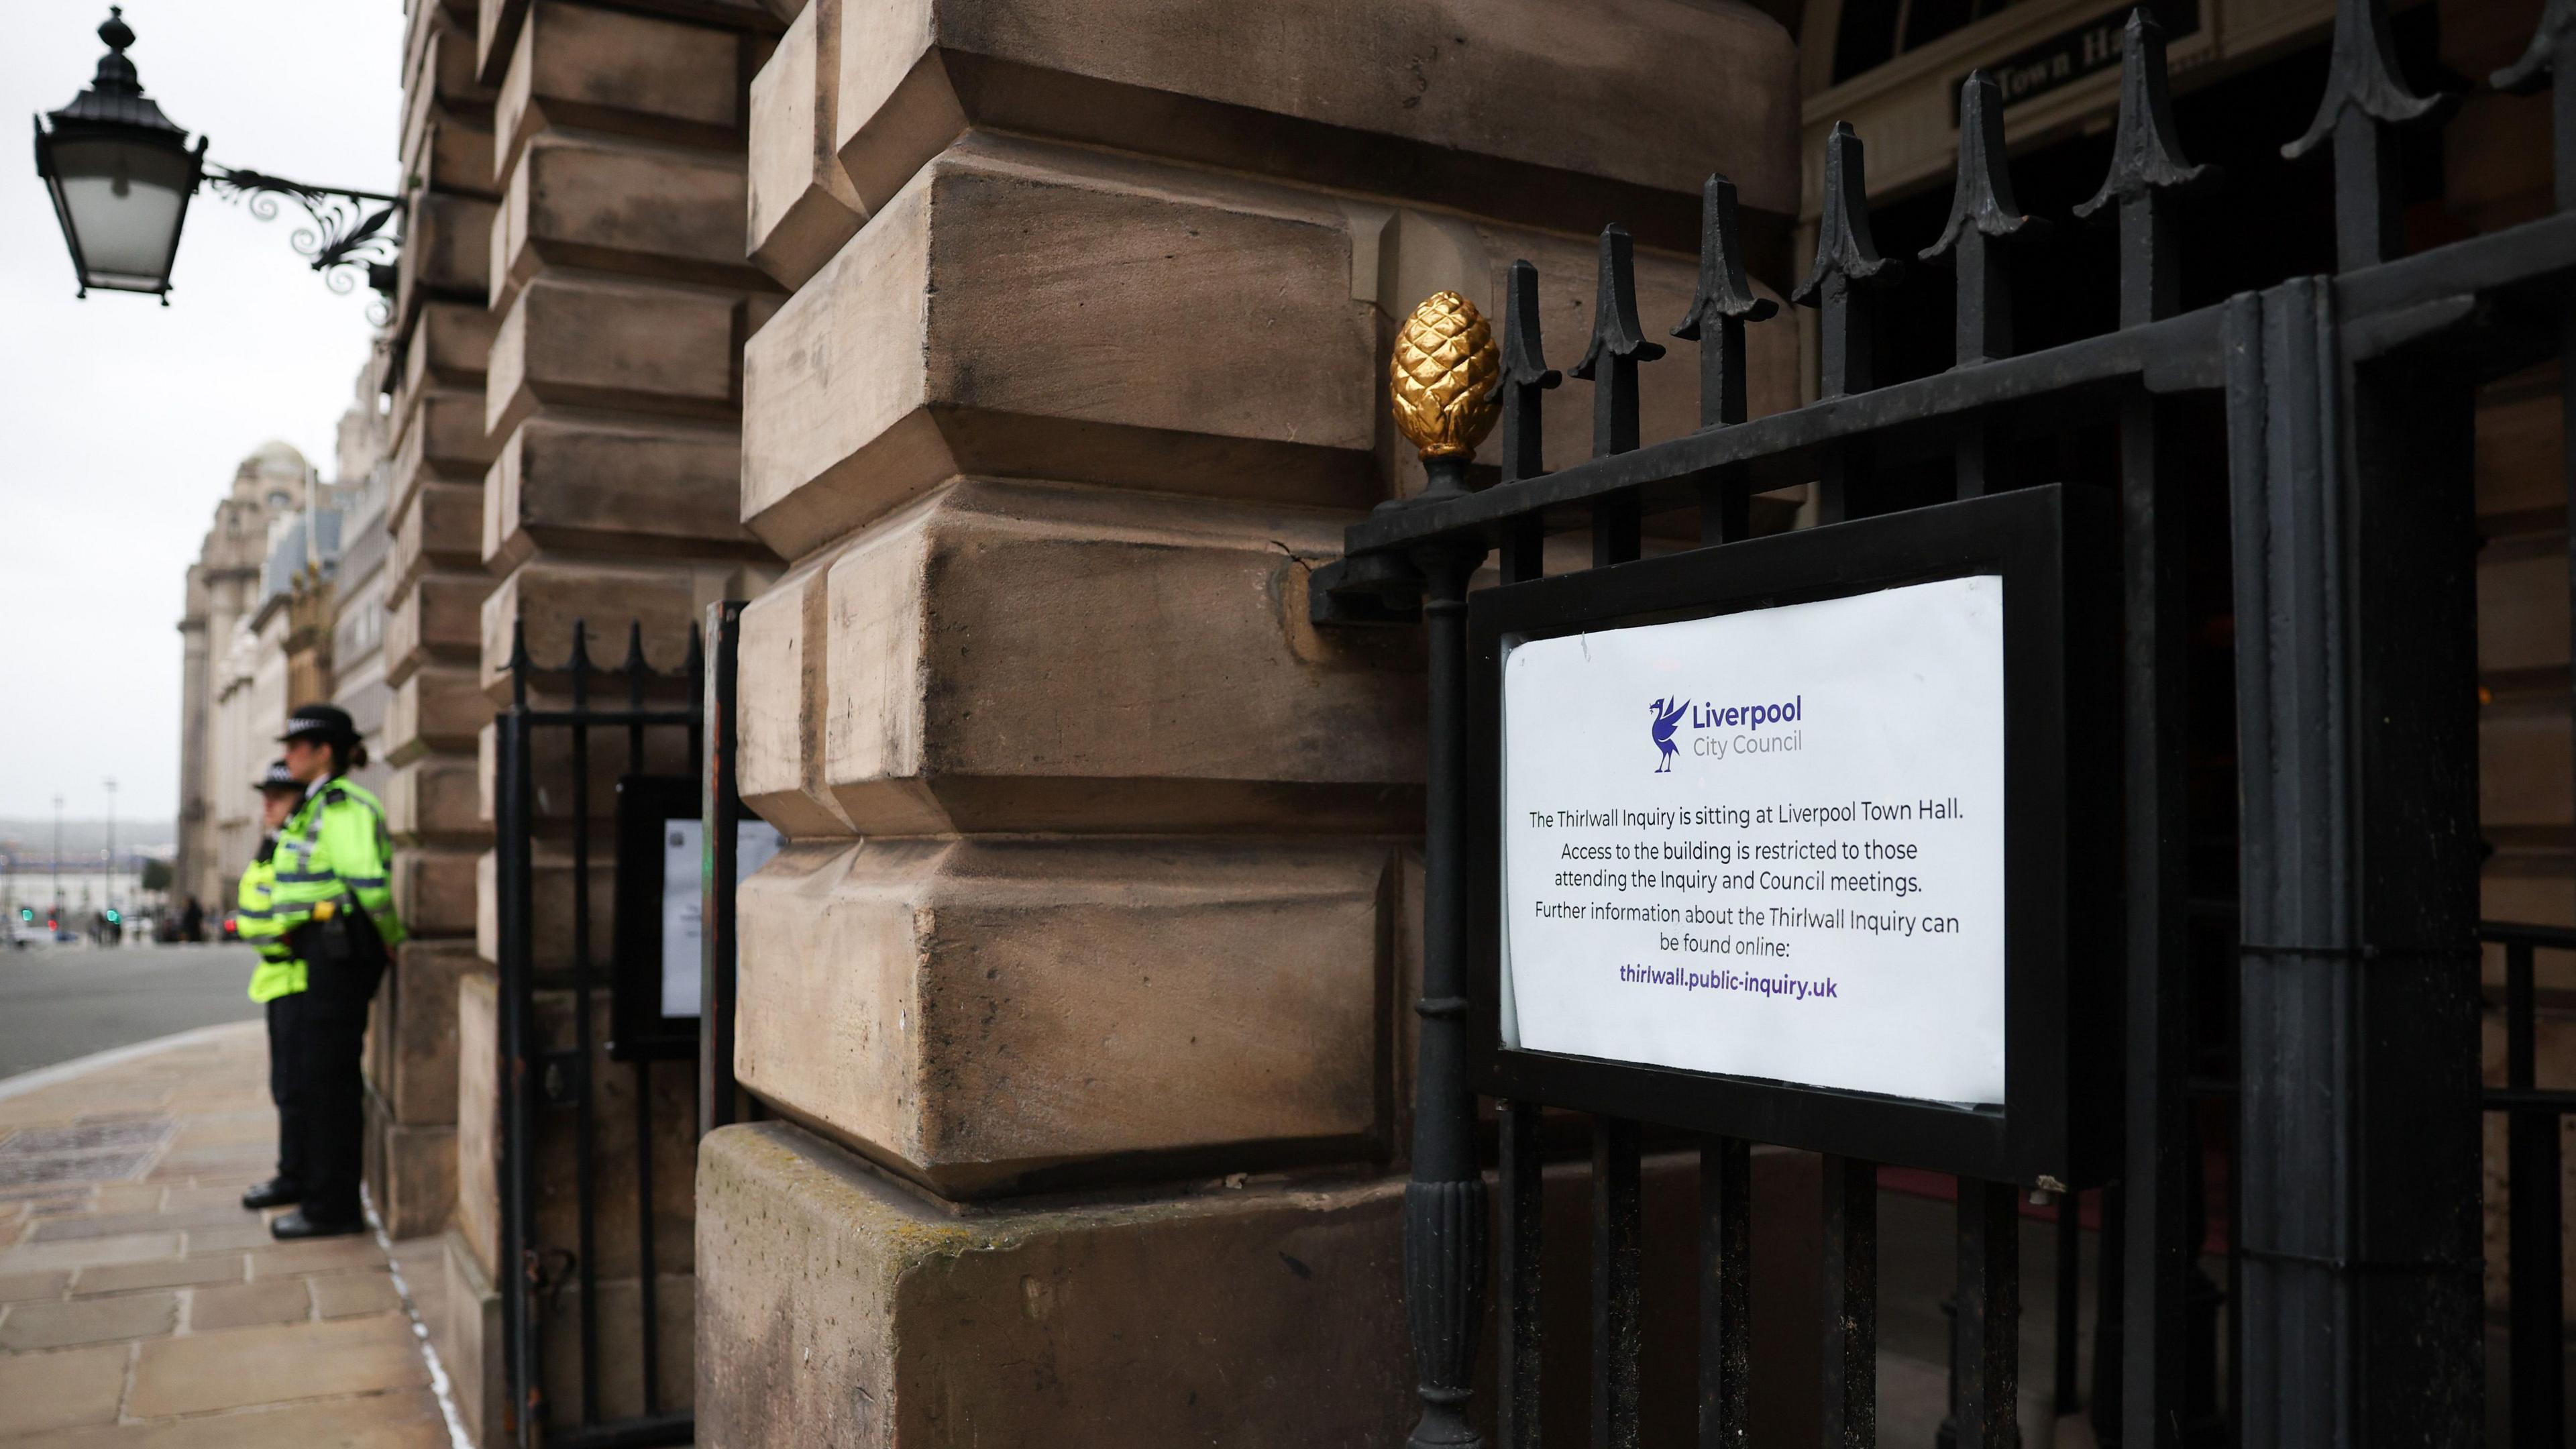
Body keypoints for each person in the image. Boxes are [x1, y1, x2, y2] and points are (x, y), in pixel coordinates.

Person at [262, 704, 406, 1239]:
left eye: (295, 746)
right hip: (323, 950)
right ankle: (325, 1199)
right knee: (320, 1080)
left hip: (339, 950)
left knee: (329, 1084)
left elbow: (368, 883)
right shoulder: (317, 805)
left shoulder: (342, 804)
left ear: (324, 751)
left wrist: (392, 939)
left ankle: (333, 1207)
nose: (287, 755)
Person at [234, 760, 311, 1214]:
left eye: (278, 795)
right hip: (278, 981)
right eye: (266, 794)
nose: (268, 803)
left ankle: (296, 1178)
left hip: (300, 979)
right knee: (286, 1088)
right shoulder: (270, 845)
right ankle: (294, 1174)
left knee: (297, 1089)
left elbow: (275, 914)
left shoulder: (293, 846)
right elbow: (252, 915)